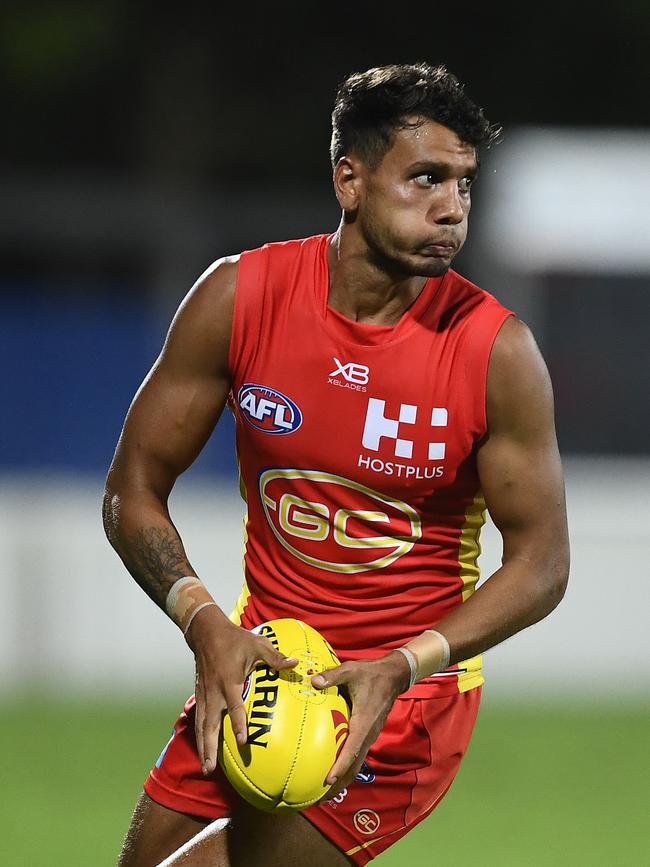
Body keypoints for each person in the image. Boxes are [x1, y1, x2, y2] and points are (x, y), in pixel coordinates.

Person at [103, 62, 569, 867]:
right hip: (258, 676)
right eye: (425, 178)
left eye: (464, 183)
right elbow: (132, 492)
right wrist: (205, 622)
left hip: (402, 704)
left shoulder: (497, 353)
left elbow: (543, 562)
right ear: (349, 181)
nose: (452, 207)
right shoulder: (239, 299)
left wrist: (403, 662)